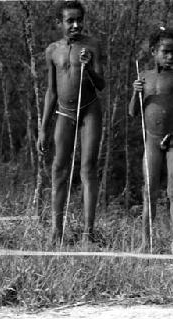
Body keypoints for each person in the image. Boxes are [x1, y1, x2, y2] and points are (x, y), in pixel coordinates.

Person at [37, 0, 105, 245]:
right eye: (70, 20)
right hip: (64, 113)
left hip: (89, 111)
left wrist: (88, 68)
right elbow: (51, 92)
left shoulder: (92, 46)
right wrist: (43, 129)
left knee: (87, 167)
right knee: (58, 169)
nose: (76, 25)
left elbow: (101, 85)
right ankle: (56, 232)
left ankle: (88, 233)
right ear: (60, 23)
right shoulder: (52, 50)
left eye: (79, 20)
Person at [129, 27, 173, 255]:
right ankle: (145, 243)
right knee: (149, 190)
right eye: (165, 52)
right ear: (153, 51)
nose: (170, 57)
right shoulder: (144, 77)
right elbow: (132, 113)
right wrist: (135, 92)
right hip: (152, 140)